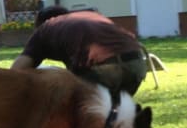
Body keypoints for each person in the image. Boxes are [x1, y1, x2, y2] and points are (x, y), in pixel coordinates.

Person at [11, 5, 149, 96]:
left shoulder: (45, 28)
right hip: (136, 62)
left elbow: (16, 72)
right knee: (114, 114)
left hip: (103, 69)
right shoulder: (88, 17)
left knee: (77, 114)